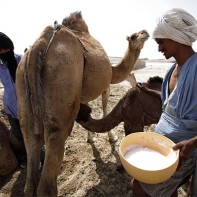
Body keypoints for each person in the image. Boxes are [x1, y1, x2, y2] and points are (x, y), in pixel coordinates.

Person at [131, 8, 197, 197]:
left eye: (161, 42)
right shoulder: (171, 71)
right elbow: (171, 102)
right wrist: (149, 91)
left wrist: (192, 143)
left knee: (139, 187)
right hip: (163, 145)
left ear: (175, 37)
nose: (159, 48)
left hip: (185, 151)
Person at [0, 33, 45, 169]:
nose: (2, 53)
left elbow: (40, 69)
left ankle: (44, 160)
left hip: (26, 108)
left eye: (4, 50)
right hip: (10, 110)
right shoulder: (0, 67)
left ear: (10, 48)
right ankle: (30, 160)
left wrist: (33, 57)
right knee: (20, 137)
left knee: (33, 137)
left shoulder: (22, 60)